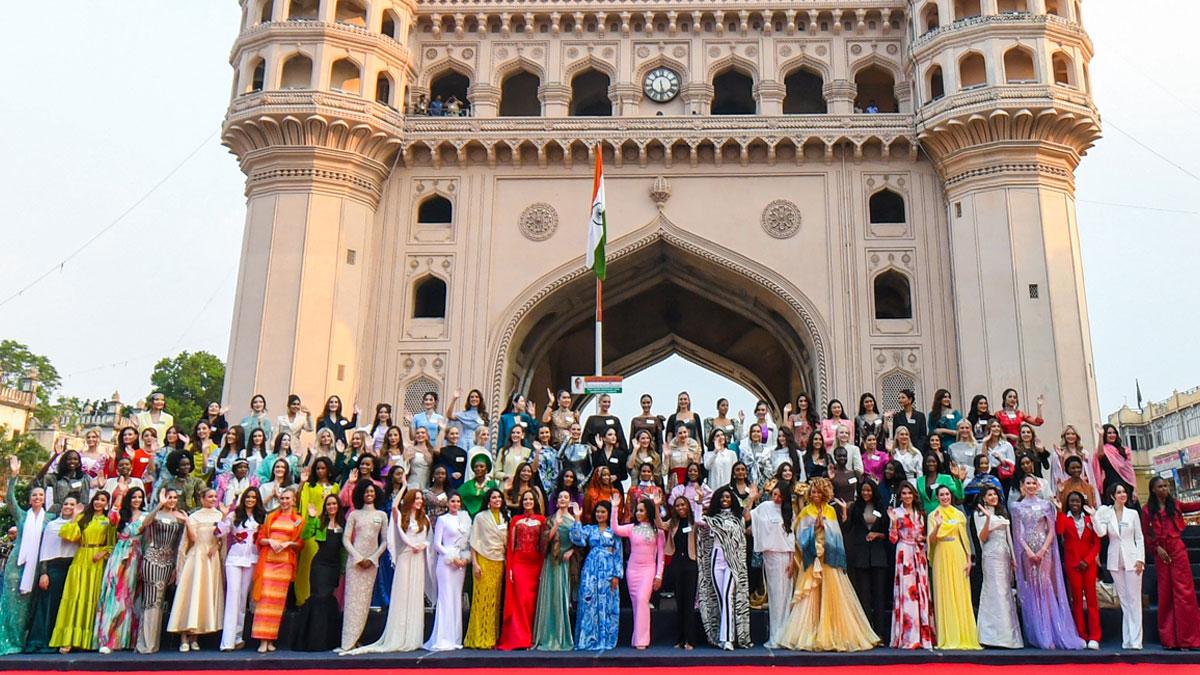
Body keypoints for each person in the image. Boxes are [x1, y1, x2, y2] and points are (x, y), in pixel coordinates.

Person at [781, 477, 879, 652]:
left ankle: (832, 633)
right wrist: (814, 528)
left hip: (829, 559)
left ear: (825, 493)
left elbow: (837, 536)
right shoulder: (805, 512)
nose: (815, 494)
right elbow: (799, 537)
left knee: (832, 597)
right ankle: (810, 632)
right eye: (813, 491)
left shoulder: (831, 511)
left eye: (819, 492)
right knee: (811, 597)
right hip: (812, 559)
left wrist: (825, 528)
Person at [346, 490, 429, 654]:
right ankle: (398, 637)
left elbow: (429, 539)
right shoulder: (402, 517)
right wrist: (404, 485)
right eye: (416, 498)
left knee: (415, 596)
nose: (419, 501)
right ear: (410, 499)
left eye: (421, 498)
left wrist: (423, 545)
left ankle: (413, 638)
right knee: (403, 595)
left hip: (418, 559)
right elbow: (395, 508)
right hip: (406, 558)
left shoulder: (424, 519)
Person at [1009, 474, 1085, 650]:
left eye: (1033, 483)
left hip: (1045, 550)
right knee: (1033, 588)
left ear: (1038, 485)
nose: (1031, 486)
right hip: (1027, 551)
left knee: (1045, 586)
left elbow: (1051, 530)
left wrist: (1043, 549)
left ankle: (1052, 631)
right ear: (1022, 486)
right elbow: (1017, 533)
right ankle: (1038, 633)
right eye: (1027, 483)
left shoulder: (1046, 505)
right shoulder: (1017, 507)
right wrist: (1028, 551)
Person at [51, 491, 114, 653]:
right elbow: (68, 535)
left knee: (92, 598)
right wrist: (75, 516)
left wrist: (104, 552)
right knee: (75, 597)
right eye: (97, 499)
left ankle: (89, 640)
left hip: (97, 562)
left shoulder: (107, 521)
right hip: (81, 559)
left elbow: (113, 543)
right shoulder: (83, 518)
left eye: (102, 500)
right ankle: (68, 639)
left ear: (107, 503)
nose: (98, 503)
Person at [1142, 476, 1200, 649]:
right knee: (1166, 594)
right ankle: (1170, 639)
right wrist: (1156, 548)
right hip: (1162, 553)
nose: (1164, 489)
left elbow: (1192, 506)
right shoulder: (1146, 511)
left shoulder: (1174, 504)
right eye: (1160, 486)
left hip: (1177, 550)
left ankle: (1188, 639)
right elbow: (1146, 533)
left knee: (1185, 594)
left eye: (1166, 486)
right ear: (1153, 489)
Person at [0, 458, 47, 655]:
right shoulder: (22, 516)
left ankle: (21, 641)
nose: (37, 497)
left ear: (44, 499)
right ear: (29, 499)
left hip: (36, 568)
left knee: (26, 609)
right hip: (16, 565)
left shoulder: (49, 520)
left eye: (40, 495)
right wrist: (13, 477)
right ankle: (6, 641)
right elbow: (10, 500)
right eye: (34, 495)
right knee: (10, 604)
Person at [167, 488, 224, 652]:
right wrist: (187, 522)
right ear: (202, 498)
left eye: (215, 496)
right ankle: (184, 637)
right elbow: (191, 539)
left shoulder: (220, 515)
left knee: (203, 597)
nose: (213, 499)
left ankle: (195, 637)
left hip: (211, 560)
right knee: (191, 595)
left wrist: (217, 545)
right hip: (196, 558)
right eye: (210, 496)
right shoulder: (194, 516)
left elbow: (221, 538)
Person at [697, 485, 751, 650]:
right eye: (722, 497)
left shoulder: (737, 519)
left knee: (728, 596)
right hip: (716, 560)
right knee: (721, 598)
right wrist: (698, 503)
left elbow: (742, 535)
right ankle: (724, 636)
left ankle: (727, 639)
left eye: (727, 497)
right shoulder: (711, 519)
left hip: (732, 563)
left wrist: (752, 499)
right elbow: (697, 521)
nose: (725, 500)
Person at [338, 482, 390, 653]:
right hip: (355, 563)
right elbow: (346, 539)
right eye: (366, 491)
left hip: (371, 564)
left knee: (364, 602)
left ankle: (358, 638)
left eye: (372, 491)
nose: (369, 494)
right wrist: (358, 557)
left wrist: (372, 558)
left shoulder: (381, 515)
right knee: (352, 601)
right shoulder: (354, 514)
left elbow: (385, 541)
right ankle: (348, 641)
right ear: (360, 494)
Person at [250, 487, 303, 653]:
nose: (285, 501)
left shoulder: (299, 520)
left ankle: (271, 639)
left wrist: (289, 544)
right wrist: (269, 541)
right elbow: (259, 538)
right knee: (264, 601)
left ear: (294, 500)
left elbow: (301, 543)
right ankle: (261, 640)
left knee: (277, 604)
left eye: (288, 498)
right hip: (268, 562)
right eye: (282, 498)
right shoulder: (271, 516)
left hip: (285, 565)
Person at [927, 484, 980, 650]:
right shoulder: (932, 515)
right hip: (941, 554)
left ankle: (963, 634)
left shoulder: (959, 514)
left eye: (947, 494)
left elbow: (964, 538)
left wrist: (968, 560)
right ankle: (947, 635)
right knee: (944, 593)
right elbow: (931, 540)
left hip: (958, 553)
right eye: (941, 495)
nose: (945, 497)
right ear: (937, 497)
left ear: (951, 495)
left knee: (960, 592)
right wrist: (936, 525)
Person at [94, 486, 146, 653]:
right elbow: (111, 516)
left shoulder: (146, 516)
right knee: (114, 596)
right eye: (134, 497)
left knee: (131, 597)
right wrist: (121, 494)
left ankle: (128, 640)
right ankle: (108, 640)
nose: (137, 500)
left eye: (139, 497)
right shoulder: (121, 516)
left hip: (136, 556)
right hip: (119, 555)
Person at [1092, 483, 1145, 649]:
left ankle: (1136, 641)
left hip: (1133, 560)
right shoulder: (1107, 514)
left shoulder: (1133, 513)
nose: (1123, 495)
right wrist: (1095, 516)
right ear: (1112, 496)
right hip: (1115, 560)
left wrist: (1140, 559)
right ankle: (1127, 640)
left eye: (1124, 492)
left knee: (1134, 599)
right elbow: (1101, 533)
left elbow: (1139, 538)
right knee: (1124, 601)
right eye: (1119, 492)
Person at [290, 493, 345, 652]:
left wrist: (341, 569)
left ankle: (328, 640)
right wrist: (312, 518)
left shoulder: (344, 524)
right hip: (319, 565)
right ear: (325, 507)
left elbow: (344, 550)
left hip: (334, 567)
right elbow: (306, 535)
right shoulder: (320, 522)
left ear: (338, 506)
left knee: (328, 598)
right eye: (328, 504)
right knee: (318, 598)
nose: (331, 507)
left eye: (334, 504)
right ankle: (312, 640)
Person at [611, 493, 665, 650]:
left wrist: (658, 575)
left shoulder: (658, 532)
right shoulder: (631, 528)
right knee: (637, 604)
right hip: (632, 570)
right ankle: (637, 638)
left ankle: (642, 640)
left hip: (648, 570)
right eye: (637, 510)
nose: (638, 513)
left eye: (641, 510)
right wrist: (615, 507)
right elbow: (615, 529)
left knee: (642, 600)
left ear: (648, 511)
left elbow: (661, 555)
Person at [134, 490, 186, 654]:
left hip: (169, 561)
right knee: (150, 600)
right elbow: (144, 526)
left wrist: (176, 567)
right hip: (152, 558)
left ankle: (154, 643)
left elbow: (181, 543)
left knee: (160, 599)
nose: (172, 500)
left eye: (174, 498)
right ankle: (145, 644)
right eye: (169, 497)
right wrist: (159, 505)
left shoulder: (181, 516)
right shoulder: (156, 514)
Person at [26, 495, 80, 653]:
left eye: (72, 504)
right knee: (49, 605)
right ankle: (43, 640)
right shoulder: (51, 526)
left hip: (72, 568)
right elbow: (45, 550)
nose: (68, 507)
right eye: (66, 504)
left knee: (67, 607)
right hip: (54, 568)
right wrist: (44, 573)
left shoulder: (79, 525)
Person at [972, 485, 1023, 648]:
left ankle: (1009, 636)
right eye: (989, 495)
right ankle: (990, 636)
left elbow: (1009, 538)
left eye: (995, 494)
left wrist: (1014, 559)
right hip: (990, 554)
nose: (993, 497)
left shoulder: (1002, 513)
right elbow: (982, 537)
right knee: (993, 591)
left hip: (1005, 554)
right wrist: (988, 520)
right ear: (983, 498)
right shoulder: (978, 514)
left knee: (1006, 591)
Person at [569, 499, 623, 651]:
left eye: (603, 512)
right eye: (598, 512)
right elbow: (577, 539)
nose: (600, 514)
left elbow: (618, 553)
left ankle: (605, 638)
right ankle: (588, 638)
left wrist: (616, 575)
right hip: (591, 570)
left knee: (607, 603)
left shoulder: (614, 531)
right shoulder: (590, 529)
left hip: (608, 569)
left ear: (608, 513)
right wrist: (577, 518)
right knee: (589, 602)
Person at [843, 478, 891, 642]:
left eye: (869, 490)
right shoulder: (855, 507)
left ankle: (879, 634)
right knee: (863, 596)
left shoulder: (881, 507)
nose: (866, 493)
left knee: (879, 596)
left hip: (878, 555)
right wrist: (845, 512)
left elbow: (888, 534)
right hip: (861, 555)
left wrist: (876, 534)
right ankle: (865, 633)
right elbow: (847, 528)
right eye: (863, 490)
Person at [497, 489, 546, 650]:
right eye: (525, 499)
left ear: (535, 502)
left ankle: (531, 636)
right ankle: (520, 638)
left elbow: (543, 546)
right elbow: (511, 546)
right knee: (520, 601)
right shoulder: (515, 520)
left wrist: (542, 566)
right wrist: (509, 567)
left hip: (535, 564)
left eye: (531, 499)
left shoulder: (541, 520)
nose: (528, 502)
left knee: (531, 603)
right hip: (519, 563)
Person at [887, 482, 933, 649]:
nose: (907, 496)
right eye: (904, 493)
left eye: (909, 493)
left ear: (914, 495)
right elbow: (892, 539)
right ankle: (908, 636)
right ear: (900, 496)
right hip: (904, 551)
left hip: (918, 553)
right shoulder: (896, 513)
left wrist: (922, 539)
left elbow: (923, 535)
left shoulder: (920, 513)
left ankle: (923, 636)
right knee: (907, 593)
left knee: (920, 592)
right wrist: (893, 523)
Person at [425, 492, 473, 651]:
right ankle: (443, 638)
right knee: (445, 598)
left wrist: (463, 558)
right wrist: (451, 557)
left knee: (455, 599)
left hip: (461, 562)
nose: (456, 504)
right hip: (446, 562)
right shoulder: (442, 519)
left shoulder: (465, 518)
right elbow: (437, 544)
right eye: (453, 501)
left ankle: (455, 637)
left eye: (458, 501)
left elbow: (467, 542)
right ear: (447, 503)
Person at [219, 487, 264, 652]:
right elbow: (219, 532)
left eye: (253, 497)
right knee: (233, 595)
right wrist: (224, 515)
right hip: (234, 559)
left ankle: (237, 637)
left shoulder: (261, 517)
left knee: (243, 598)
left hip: (252, 559)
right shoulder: (234, 515)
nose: (250, 500)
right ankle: (227, 641)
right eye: (248, 497)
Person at [1055, 491, 1101, 649]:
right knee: (1076, 601)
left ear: (1082, 503)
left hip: (1088, 564)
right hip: (1073, 564)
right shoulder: (1064, 518)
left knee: (1092, 600)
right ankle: (1081, 635)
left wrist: (1087, 560)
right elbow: (1060, 532)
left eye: (1077, 501)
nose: (1075, 504)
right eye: (1072, 501)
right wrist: (1060, 511)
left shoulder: (1090, 518)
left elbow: (1097, 543)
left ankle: (1095, 636)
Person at [751, 485, 795, 648]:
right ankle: (775, 635)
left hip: (785, 556)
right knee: (775, 596)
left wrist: (792, 562)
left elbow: (791, 538)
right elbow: (749, 517)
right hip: (770, 556)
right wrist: (752, 499)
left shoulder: (789, 512)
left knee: (786, 595)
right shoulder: (764, 507)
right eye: (774, 494)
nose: (776, 497)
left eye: (779, 495)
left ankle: (785, 635)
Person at [533, 490, 576, 651]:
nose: (563, 499)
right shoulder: (550, 519)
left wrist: (572, 551)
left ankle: (561, 635)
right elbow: (543, 542)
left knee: (562, 599)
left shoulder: (573, 520)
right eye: (560, 497)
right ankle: (546, 636)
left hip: (565, 564)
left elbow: (579, 542)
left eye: (566, 497)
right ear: (556, 501)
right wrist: (556, 525)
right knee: (549, 598)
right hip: (551, 562)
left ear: (570, 501)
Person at [465, 488, 508, 649]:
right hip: (483, 560)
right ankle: (478, 638)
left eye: (499, 497)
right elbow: (474, 541)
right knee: (481, 599)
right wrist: (475, 564)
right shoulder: (480, 518)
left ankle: (491, 637)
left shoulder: (505, 517)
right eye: (493, 497)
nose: (497, 500)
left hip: (499, 562)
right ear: (488, 501)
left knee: (494, 601)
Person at [665, 495, 700, 649]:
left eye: (683, 505)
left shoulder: (694, 523)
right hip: (677, 565)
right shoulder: (673, 524)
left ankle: (690, 640)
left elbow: (701, 519)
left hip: (691, 564)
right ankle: (680, 639)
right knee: (679, 603)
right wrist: (658, 504)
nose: (680, 508)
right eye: (677, 506)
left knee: (689, 603)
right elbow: (660, 524)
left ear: (688, 506)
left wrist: (698, 501)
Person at [1092, 424, 1136, 505]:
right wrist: (1100, 436)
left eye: (1114, 432)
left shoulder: (1124, 451)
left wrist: (1134, 489)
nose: (1112, 435)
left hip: (1126, 486)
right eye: (1109, 433)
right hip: (1110, 485)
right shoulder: (1102, 450)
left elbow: (1130, 472)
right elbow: (1100, 454)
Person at [39, 449, 90, 515]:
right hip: (55, 513)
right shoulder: (55, 478)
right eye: (69, 459)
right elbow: (39, 479)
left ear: (79, 463)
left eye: (75, 459)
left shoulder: (83, 479)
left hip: (73, 514)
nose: (72, 461)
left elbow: (84, 502)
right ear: (64, 461)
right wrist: (55, 456)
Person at [665, 423, 702, 488]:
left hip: (689, 479)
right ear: (676, 434)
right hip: (675, 480)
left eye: (685, 432)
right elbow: (664, 471)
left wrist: (693, 459)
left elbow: (697, 468)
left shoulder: (694, 447)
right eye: (680, 433)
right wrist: (666, 457)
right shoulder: (671, 448)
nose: (683, 435)